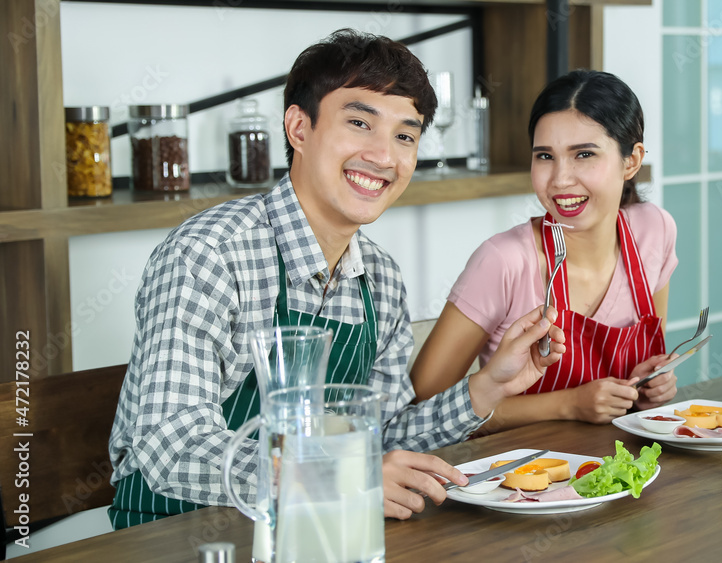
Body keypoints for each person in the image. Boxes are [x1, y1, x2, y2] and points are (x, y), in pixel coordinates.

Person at [107, 29, 565, 528]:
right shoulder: (210, 254)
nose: (384, 156)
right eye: (359, 122)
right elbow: (172, 446)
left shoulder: (381, 280)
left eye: (404, 136)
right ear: (298, 128)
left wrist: (486, 387)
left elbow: (382, 440)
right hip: (176, 534)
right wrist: (345, 478)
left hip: (314, 531)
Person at [411, 70, 679, 433]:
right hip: (519, 478)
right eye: (545, 156)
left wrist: (650, 381)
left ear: (631, 161)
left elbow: (649, 362)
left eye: (583, 154)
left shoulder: (654, 231)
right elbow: (424, 410)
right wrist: (568, 404)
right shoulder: (503, 261)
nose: (560, 180)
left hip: (623, 469)